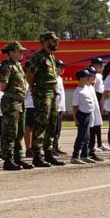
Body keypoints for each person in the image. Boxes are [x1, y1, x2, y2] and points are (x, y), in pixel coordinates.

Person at [26, 32, 61, 167]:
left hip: (52, 93)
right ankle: (37, 155)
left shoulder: (51, 56)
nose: (56, 43)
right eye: (53, 41)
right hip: (42, 93)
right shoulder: (38, 57)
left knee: (52, 123)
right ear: (45, 42)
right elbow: (30, 75)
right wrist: (34, 88)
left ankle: (48, 153)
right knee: (41, 123)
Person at [0, 42, 31, 171]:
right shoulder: (7, 66)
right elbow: (2, 86)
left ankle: (18, 158)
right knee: (10, 132)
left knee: (19, 132)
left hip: (20, 102)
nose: (22, 53)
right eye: (19, 51)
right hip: (11, 102)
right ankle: (8, 160)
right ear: (11, 52)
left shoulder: (18, 65)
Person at [70, 68, 99, 164]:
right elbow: (75, 107)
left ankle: (84, 155)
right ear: (81, 78)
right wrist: (75, 119)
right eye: (87, 77)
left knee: (87, 137)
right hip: (82, 115)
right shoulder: (78, 91)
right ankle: (75, 156)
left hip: (89, 114)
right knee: (81, 136)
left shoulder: (86, 88)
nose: (89, 78)